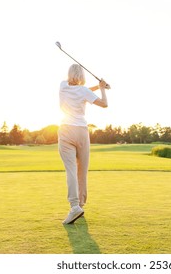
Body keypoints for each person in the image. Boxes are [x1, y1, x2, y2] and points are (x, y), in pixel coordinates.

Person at [58, 63, 109, 224]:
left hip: (66, 130)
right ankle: (80, 204)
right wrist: (101, 88)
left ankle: (75, 208)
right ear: (82, 76)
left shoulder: (63, 86)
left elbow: (83, 91)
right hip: (81, 131)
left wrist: (96, 86)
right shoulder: (84, 91)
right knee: (82, 171)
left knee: (71, 171)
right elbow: (104, 104)